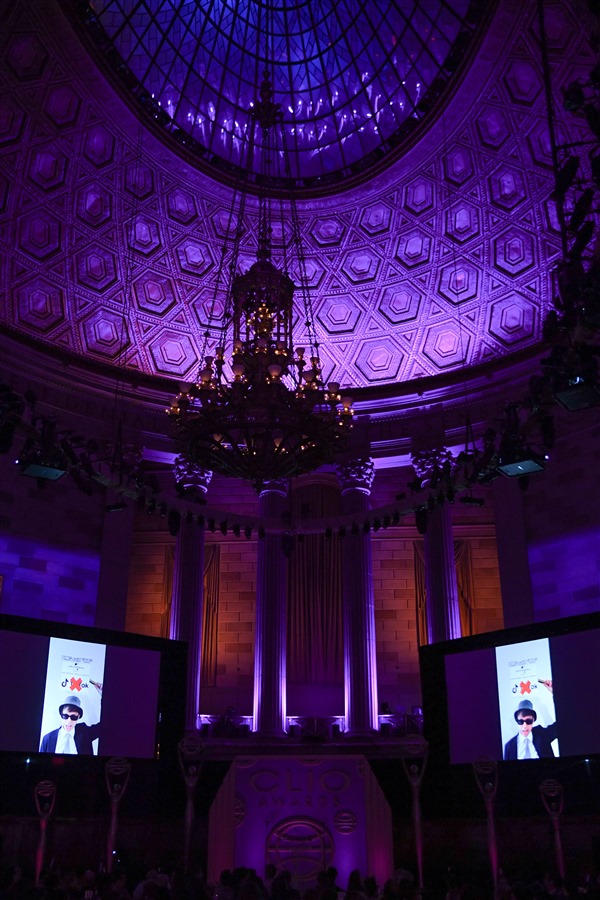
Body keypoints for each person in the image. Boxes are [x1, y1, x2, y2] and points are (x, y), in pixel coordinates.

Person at [39, 687, 102, 755]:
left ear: (78, 717)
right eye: (65, 716)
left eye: (73, 717)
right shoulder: (47, 739)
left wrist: (104, 694)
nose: (69, 721)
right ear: (61, 715)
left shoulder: (85, 732)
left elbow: (105, 726)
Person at [503, 680, 557, 760]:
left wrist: (555, 692)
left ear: (533, 720)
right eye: (521, 722)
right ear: (517, 721)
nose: (524, 726)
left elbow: (562, 723)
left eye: (528, 721)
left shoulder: (542, 735)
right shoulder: (509, 747)